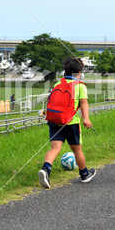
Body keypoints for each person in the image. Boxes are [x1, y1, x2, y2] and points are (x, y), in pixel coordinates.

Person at [38, 58, 96, 188]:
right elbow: (83, 103)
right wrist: (86, 118)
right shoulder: (80, 86)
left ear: (65, 72)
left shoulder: (58, 83)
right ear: (79, 73)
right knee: (77, 150)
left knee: (55, 148)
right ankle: (84, 174)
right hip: (71, 122)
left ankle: (46, 169)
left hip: (54, 120)